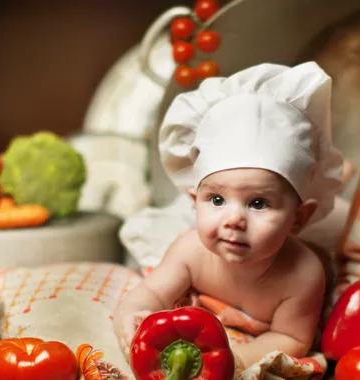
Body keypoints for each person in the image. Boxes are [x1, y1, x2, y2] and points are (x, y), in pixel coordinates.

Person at [113, 61, 344, 370]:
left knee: (341, 220)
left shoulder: (302, 276)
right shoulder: (190, 251)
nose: (234, 219)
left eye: (259, 203)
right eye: (217, 199)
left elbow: (291, 337)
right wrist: (132, 316)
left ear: (299, 218)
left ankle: (342, 184)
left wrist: (238, 360)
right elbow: (151, 293)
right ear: (194, 202)